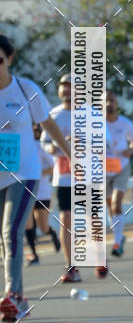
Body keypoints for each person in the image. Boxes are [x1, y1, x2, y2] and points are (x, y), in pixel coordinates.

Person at [0, 34, 71, 321]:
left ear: (9, 59)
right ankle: (20, 298)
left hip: (25, 173)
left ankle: (13, 295)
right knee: (4, 237)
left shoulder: (24, 88)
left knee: (11, 230)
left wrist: (69, 153)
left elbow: (47, 123)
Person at [41, 73, 81, 281]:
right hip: (64, 176)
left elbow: (106, 144)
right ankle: (71, 266)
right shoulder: (53, 115)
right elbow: (44, 142)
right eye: (63, 87)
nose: (66, 91)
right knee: (66, 219)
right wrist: (54, 146)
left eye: (71, 87)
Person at [105, 91, 133, 259]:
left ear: (116, 104)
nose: (109, 104)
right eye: (106, 101)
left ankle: (117, 241)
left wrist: (130, 150)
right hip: (103, 169)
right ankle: (119, 236)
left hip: (121, 167)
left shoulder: (125, 123)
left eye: (112, 100)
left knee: (117, 202)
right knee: (110, 205)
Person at [25, 123, 61, 265]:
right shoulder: (24, 145)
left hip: (42, 192)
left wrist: (38, 174)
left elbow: (53, 168)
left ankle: (52, 234)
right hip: (26, 190)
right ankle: (34, 254)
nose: (35, 132)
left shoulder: (43, 147)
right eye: (33, 129)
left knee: (43, 227)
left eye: (38, 129)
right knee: (28, 224)